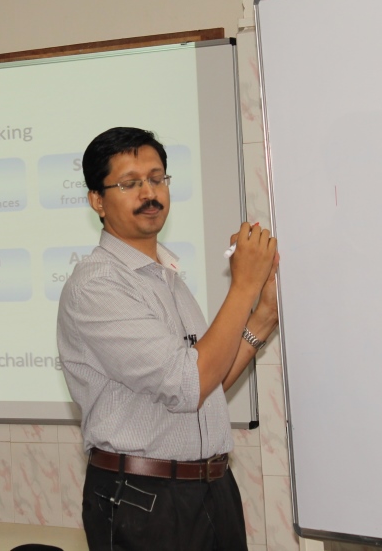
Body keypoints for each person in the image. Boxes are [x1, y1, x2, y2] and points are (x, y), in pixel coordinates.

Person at [56, 127, 279, 550]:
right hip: (143, 498)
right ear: (97, 201)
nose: (149, 193)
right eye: (130, 183)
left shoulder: (166, 276)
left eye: (157, 179)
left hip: (213, 489)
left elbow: (207, 382)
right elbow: (190, 384)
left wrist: (264, 316)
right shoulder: (97, 285)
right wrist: (243, 285)